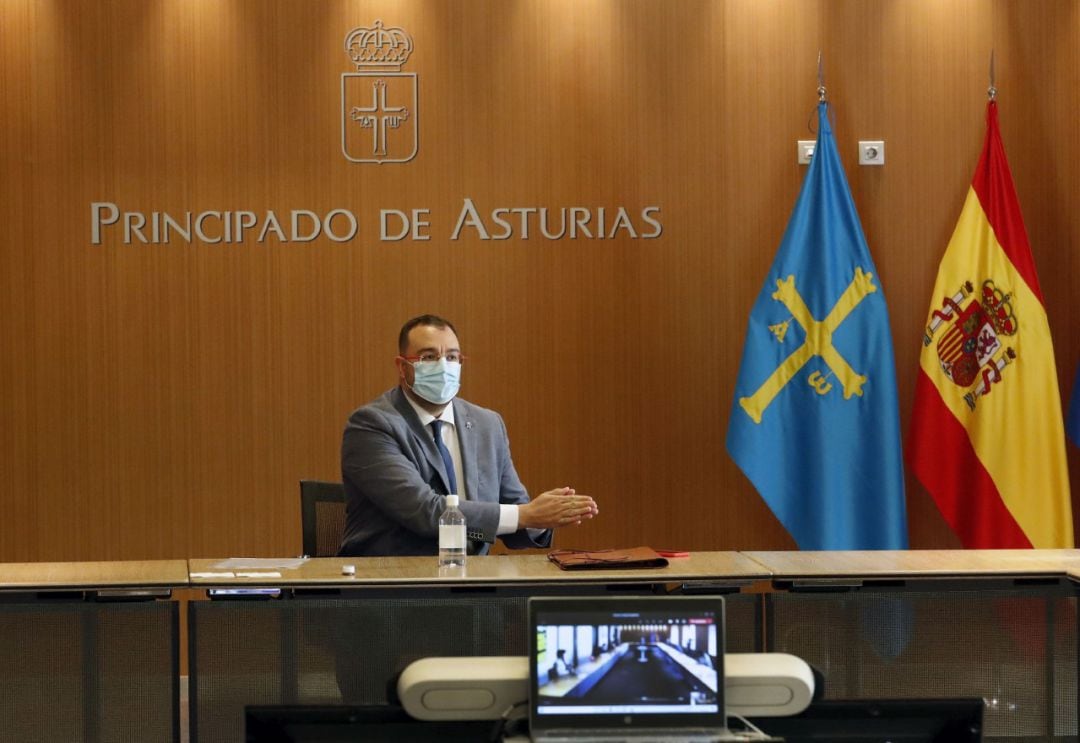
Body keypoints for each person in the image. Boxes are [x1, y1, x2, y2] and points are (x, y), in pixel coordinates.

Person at [338, 314, 599, 557]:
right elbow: (425, 512)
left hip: (472, 581)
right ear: (402, 366)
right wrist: (526, 515)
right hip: (392, 587)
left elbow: (516, 514)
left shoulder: (488, 424)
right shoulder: (372, 425)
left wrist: (547, 516)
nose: (443, 366)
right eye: (428, 357)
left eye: (452, 357)